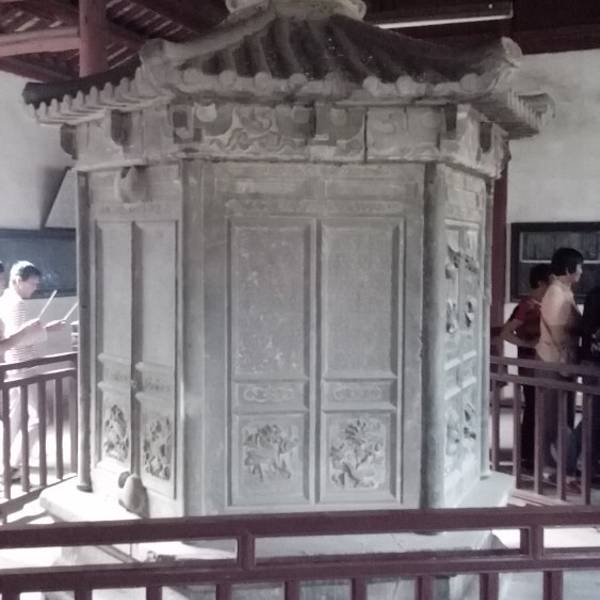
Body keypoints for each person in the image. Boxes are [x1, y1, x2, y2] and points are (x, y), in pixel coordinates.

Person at [0, 261, 64, 480]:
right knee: (40, 419)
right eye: (32, 284)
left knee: (13, 419)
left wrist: (44, 329)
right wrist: (46, 331)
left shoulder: (5, 299)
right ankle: (13, 465)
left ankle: (4, 463)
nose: (35, 288)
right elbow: (19, 340)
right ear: (18, 280)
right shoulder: (17, 303)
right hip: (24, 366)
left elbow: (15, 336)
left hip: (12, 366)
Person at [536, 247, 584, 491]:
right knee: (554, 418)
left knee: (562, 416)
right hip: (554, 361)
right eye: (579, 267)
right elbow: (558, 334)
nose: (582, 272)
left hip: (562, 361)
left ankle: (562, 468)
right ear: (568, 269)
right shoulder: (556, 293)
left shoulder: (564, 290)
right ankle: (552, 470)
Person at [501, 264, 551, 469]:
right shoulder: (527, 306)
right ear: (541, 282)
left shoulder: (545, 304)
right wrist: (528, 344)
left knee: (541, 409)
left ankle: (536, 453)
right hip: (530, 365)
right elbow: (506, 333)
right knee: (533, 409)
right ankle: (527, 455)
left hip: (543, 365)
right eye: (550, 282)